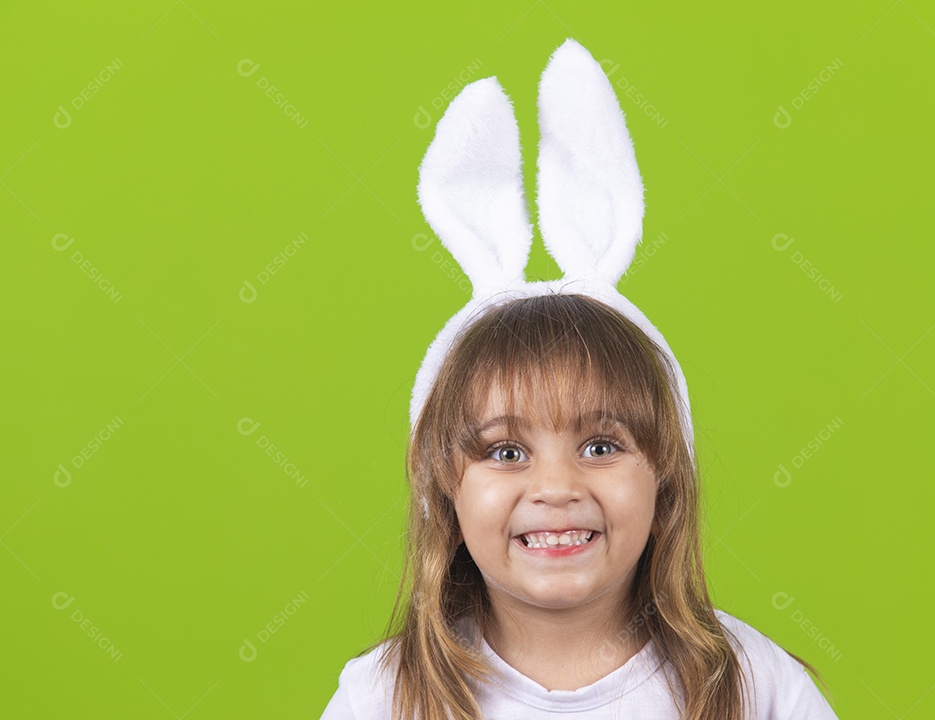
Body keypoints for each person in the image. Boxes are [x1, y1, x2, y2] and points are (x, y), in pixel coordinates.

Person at [319, 39, 840, 720]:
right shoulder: (384, 698)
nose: (558, 489)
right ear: (444, 483)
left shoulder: (751, 685)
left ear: (666, 474)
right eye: (506, 452)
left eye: (601, 446)